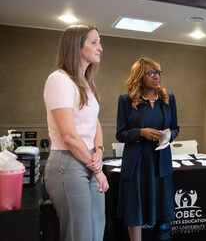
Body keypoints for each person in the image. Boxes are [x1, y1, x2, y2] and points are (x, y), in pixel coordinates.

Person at [43, 24, 109, 241]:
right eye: (94, 42)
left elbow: (95, 122)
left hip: (89, 158)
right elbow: (69, 136)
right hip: (68, 163)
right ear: (76, 46)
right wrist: (97, 169)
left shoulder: (86, 83)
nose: (100, 47)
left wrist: (99, 150)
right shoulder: (58, 80)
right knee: (79, 235)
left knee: (96, 230)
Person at [116, 57, 179, 241]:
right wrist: (141, 132)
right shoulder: (126, 100)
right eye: (151, 73)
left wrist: (169, 135)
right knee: (134, 209)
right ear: (139, 76)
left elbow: (175, 128)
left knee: (162, 209)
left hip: (161, 162)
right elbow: (121, 134)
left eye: (158, 72)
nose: (156, 76)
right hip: (137, 163)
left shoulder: (168, 99)